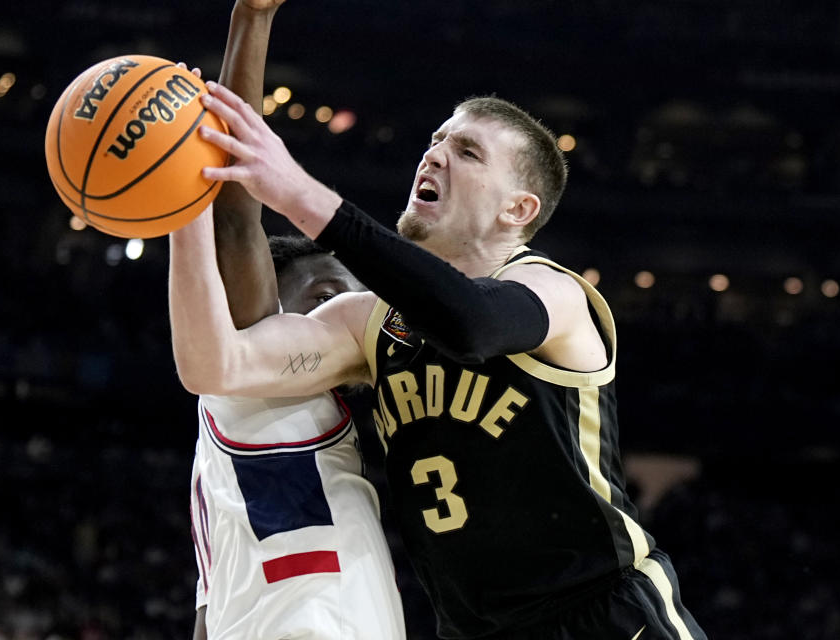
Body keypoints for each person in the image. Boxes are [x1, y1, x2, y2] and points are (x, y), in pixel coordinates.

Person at [170, 67, 707, 640]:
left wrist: (298, 194)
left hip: (598, 615)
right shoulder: (368, 322)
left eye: (468, 151)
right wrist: (179, 204)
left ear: (517, 210)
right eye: (435, 141)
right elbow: (217, 366)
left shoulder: (556, 294)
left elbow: (471, 325)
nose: (435, 155)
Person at [176, 2, 405, 638]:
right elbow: (234, 218)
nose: (351, 316)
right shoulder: (249, 374)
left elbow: (208, 612)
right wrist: (252, 18)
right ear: (268, 302)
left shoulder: (278, 411)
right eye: (329, 295)